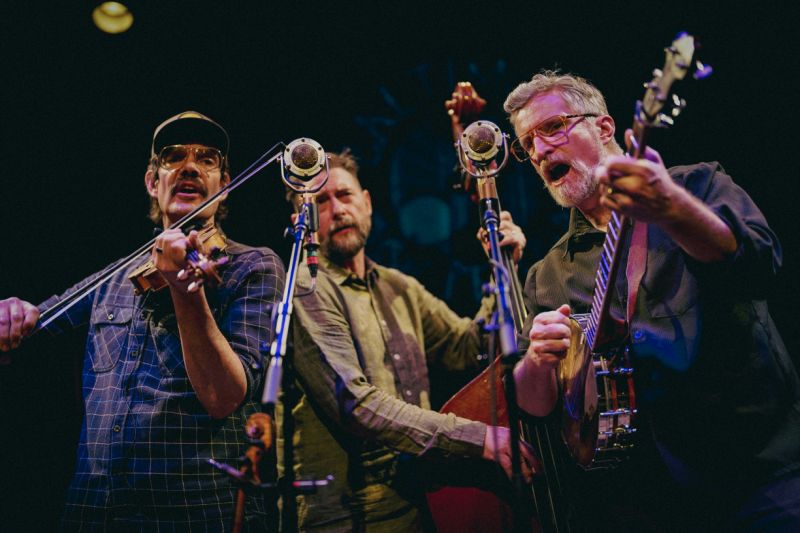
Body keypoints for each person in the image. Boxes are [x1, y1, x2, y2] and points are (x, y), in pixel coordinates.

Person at [506, 71, 800, 531]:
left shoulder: (696, 186)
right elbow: (536, 407)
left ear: (604, 127)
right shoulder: (547, 276)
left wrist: (671, 208)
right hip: (651, 500)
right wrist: (537, 361)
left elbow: (761, 265)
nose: (540, 150)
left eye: (553, 127)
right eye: (528, 143)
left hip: (763, 473)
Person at [0, 111, 285, 531]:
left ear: (224, 186)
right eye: (174, 156)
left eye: (206, 159)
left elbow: (224, 396)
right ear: (153, 182)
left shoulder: (252, 267)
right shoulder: (118, 275)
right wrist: (13, 314)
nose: (190, 166)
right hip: (92, 512)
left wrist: (184, 289)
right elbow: (35, 324)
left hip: (196, 514)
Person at [279, 150, 537, 532]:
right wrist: (477, 437)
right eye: (321, 202)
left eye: (345, 195)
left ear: (367, 202)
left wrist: (503, 266)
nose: (338, 209)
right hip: (346, 515)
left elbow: (471, 348)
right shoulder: (307, 287)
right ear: (302, 222)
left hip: (415, 500)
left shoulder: (399, 286)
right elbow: (354, 403)